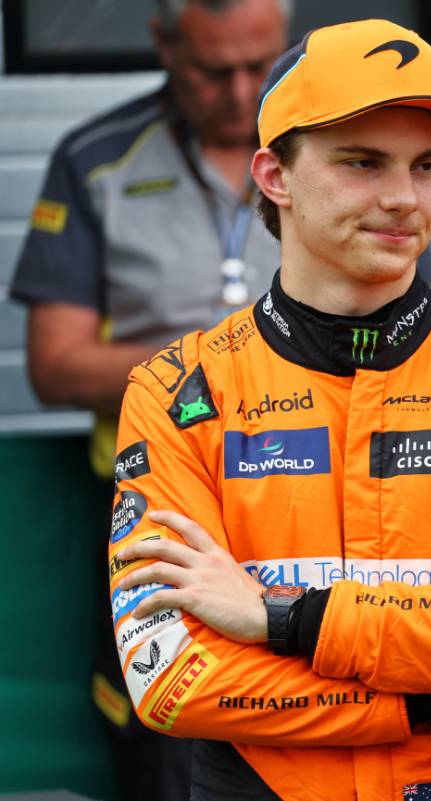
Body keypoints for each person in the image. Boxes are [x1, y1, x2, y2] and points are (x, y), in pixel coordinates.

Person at [105, 18, 431, 801]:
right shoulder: (175, 390)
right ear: (275, 176)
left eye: (425, 165)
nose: (403, 199)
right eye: (363, 164)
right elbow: (171, 678)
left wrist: (278, 618)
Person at [9, 3, 287, 798]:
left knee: (331, 739)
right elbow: (55, 365)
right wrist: (216, 365)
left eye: (260, 65)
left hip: (319, 505)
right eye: (212, 70)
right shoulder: (96, 159)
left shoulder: (334, 151)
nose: (241, 93)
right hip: (159, 516)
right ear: (164, 45)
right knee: (170, 759)